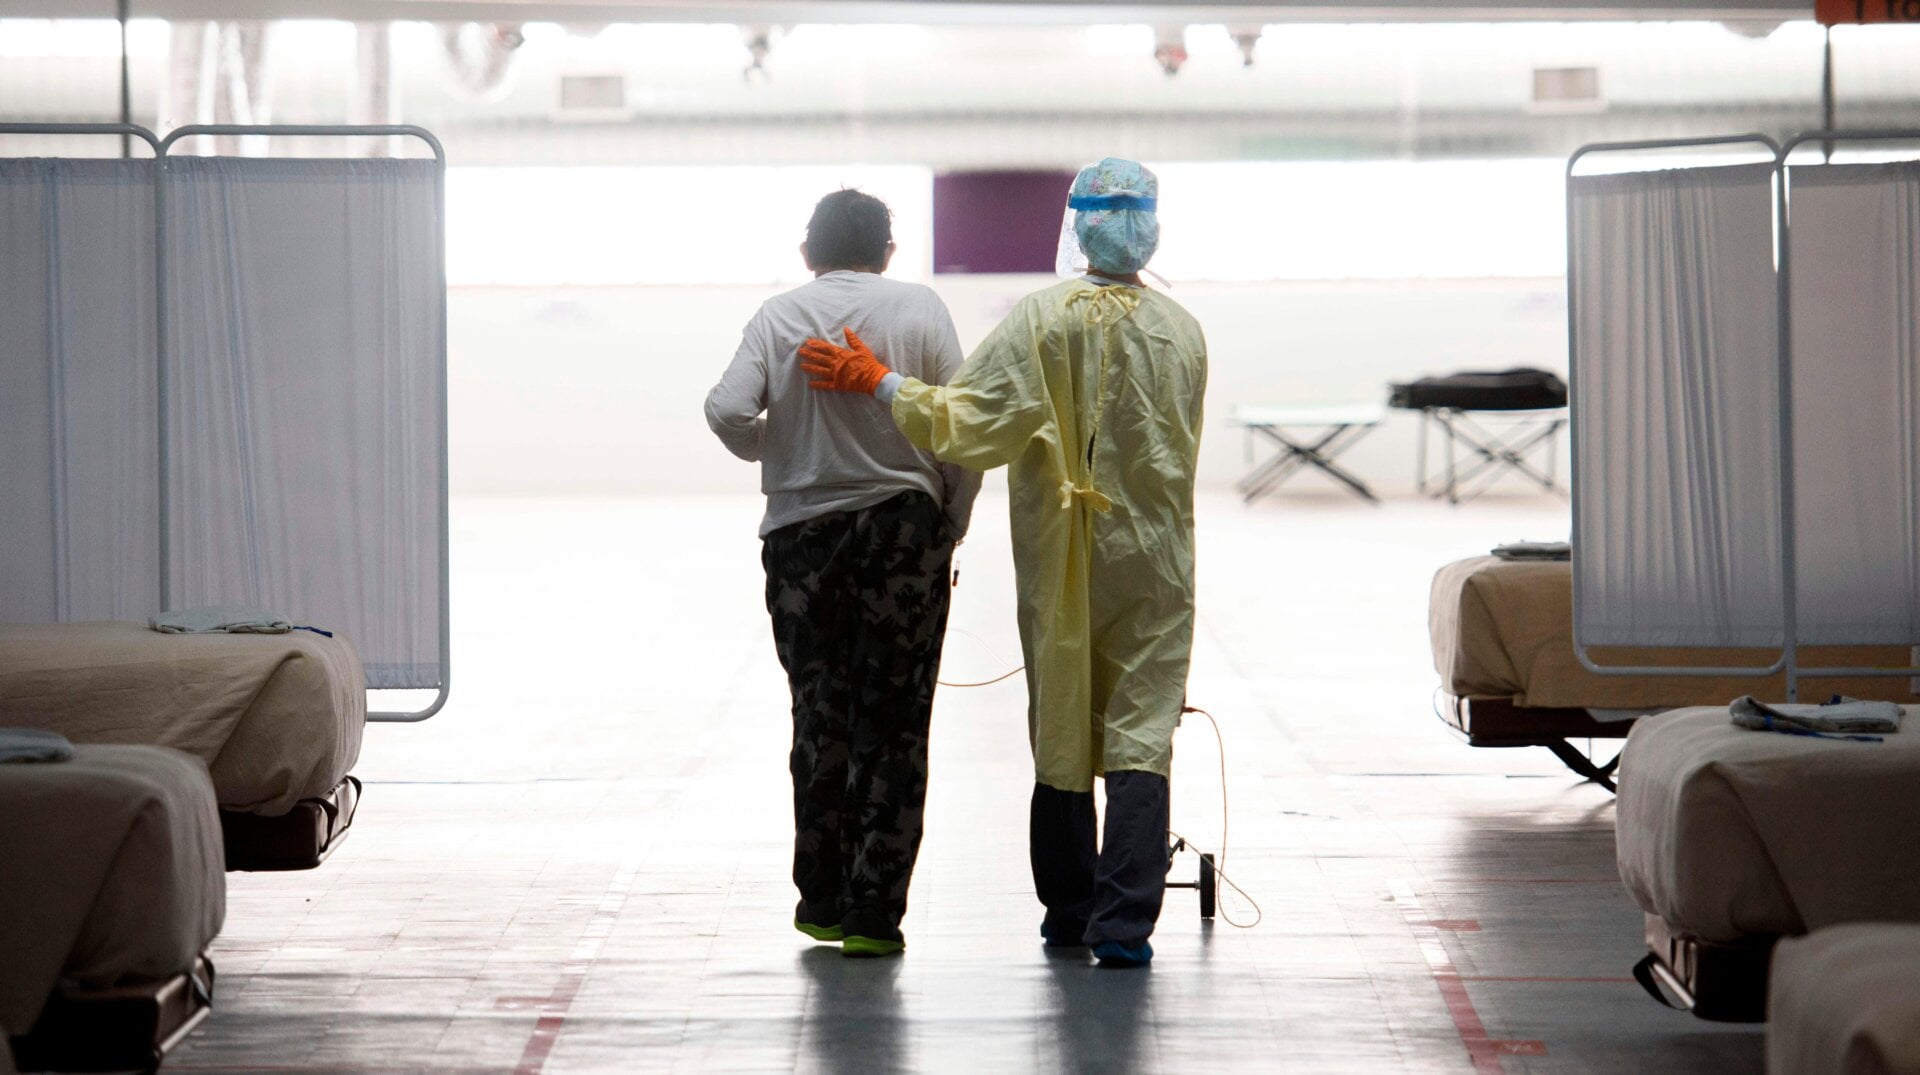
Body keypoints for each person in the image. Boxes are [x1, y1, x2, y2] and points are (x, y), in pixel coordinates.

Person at [798, 158, 1206, 968]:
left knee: (1061, 719)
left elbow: (970, 422)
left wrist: (879, 383)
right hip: (1157, 558)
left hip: (1064, 555)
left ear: (1077, 224)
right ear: (1150, 226)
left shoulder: (1043, 321)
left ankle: (1069, 907)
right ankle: (1124, 923)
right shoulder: (1183, 330)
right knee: (1142, 725)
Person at [704, 188, 981, 958]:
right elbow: (960, 427)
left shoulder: (778, 317)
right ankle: (873, 914)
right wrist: (949, 521)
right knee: (893, 725)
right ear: (888, 251)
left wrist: (779, 448)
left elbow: (726, 409)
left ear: (807, 253)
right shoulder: (920, 310)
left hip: (800, 538)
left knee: (818, 713)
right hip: (903, 531)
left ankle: (820, 901)